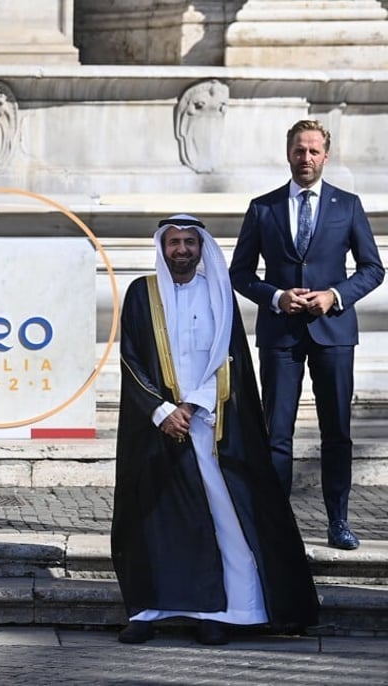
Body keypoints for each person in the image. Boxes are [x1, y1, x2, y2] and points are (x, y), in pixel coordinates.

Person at [111, 215, 319, 646]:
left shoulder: (217, 293)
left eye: (189, 242)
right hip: (156, 426)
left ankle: (223, 613)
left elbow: (230, 359)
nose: (182, 250)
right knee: (153, 521)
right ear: (162, 248)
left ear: (201, 247)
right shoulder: (141, 293)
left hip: (211, 423)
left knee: (227, 519)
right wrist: (161, 410)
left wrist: (192, 405)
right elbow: (130, 357)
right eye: (174, 242)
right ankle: (148, 611)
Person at [229, 120, 384, 551]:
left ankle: (338, 521)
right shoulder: (263, 208)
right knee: (277, 434)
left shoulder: (347, 205)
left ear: (326, 156)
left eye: (314, 151)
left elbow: (373, 268)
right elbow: (240, 273)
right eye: (300, 150)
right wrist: (276, 297)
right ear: (288, 153)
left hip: (334, 333)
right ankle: (276, 525)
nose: (306, 158)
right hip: (280, 335)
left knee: (337, 432)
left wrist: (335, 295)